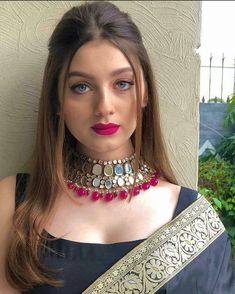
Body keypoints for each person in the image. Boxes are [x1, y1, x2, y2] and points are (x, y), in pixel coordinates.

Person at [0, 1, 234, 293]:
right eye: (81, 87)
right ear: (57, 101)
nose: (104, 107)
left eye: (122, 83)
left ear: (145, 92)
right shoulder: (15, 205)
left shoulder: (193, 221)